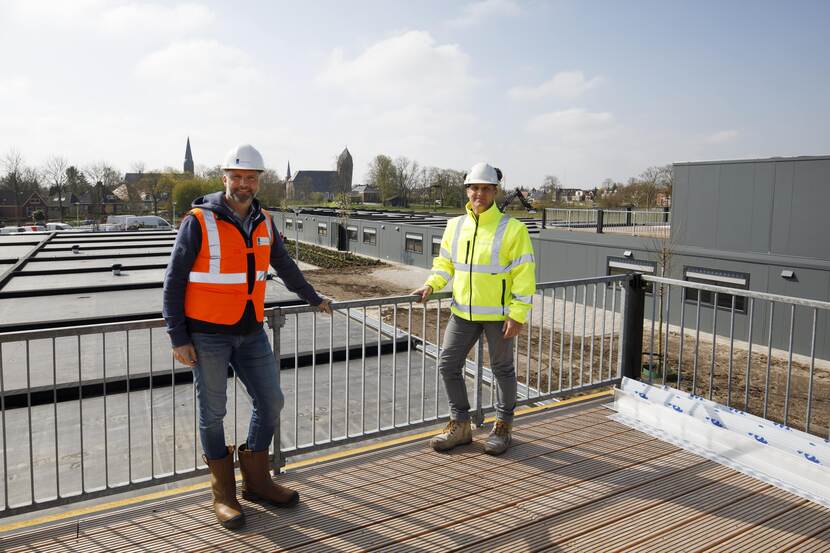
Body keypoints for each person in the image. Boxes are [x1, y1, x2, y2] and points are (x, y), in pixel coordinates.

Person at [163, 144, 332, 529]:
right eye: (236, 177)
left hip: (250, 329)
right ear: (224, 179)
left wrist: (312, 297)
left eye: (250, 178)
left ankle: (256, 481)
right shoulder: (198, 221)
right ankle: (223, 494)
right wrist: (178, 337)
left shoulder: (264, 220)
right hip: (206, 334)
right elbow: (173, 281)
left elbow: (284, 265)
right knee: (213, 412)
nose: (243, 184)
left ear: (258, 181)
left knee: (271, 401)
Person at [413, 162, 535, 456]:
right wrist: (431, 285)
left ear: (494, 191)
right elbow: (445, 264)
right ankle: (461, 424)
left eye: (485, 188)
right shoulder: (455, 226)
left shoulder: (513, 229)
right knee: (448, 365)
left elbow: (524, 274)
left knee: (503, 370)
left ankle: (503, 426)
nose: (479, 193)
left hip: (498, 316)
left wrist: (518, 314)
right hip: (462, 312)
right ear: (467, 190)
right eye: (474, 188)